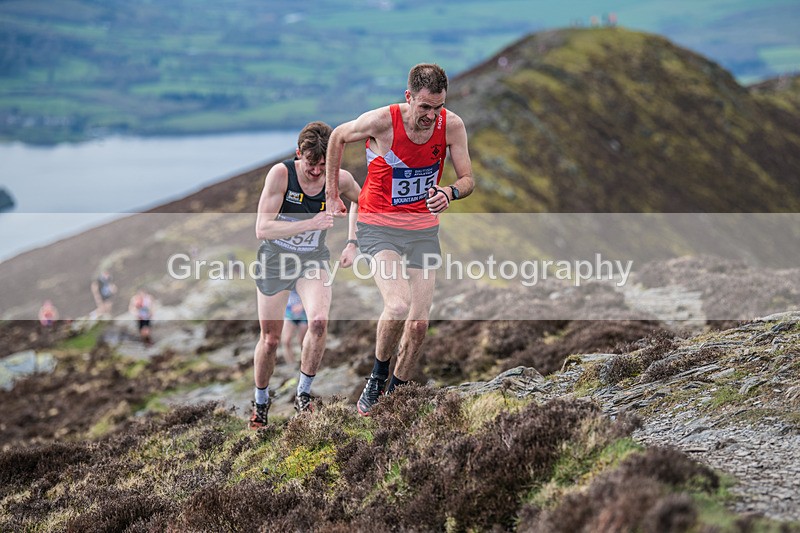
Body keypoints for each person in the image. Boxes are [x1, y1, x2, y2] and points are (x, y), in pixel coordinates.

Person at [325, 63, 474, 416]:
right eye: (424, 107)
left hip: (423, 229)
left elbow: (468, 178)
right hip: (378, 226)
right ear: (408, 98)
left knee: (420, 324)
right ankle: (377, 377)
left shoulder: (450, 126)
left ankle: (397, 396)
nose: (431, 115)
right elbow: (337, 137)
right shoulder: (382, 121)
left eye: (438, 107)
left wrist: (450, 192)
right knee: (397, 305)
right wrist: (333, 192)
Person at [250, 121, 361, 429]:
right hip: (275, 260)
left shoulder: (339, 178)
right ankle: (260, 404)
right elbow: (263, 229)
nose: (317, 172)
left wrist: (353, 242)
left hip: (312, 261)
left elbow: (362, 201)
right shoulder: (281, 174)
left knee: (319, 322)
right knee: (271, 340)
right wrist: (310, 223)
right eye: (312, 164)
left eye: (324, 165)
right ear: (299, 154)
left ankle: (303, 396)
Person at [281, 289, 308, 366]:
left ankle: (305, 364)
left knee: (303, 341)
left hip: (303, 314)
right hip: (289, 312)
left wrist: (302, 305)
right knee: (286, 341)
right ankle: (291, 365)